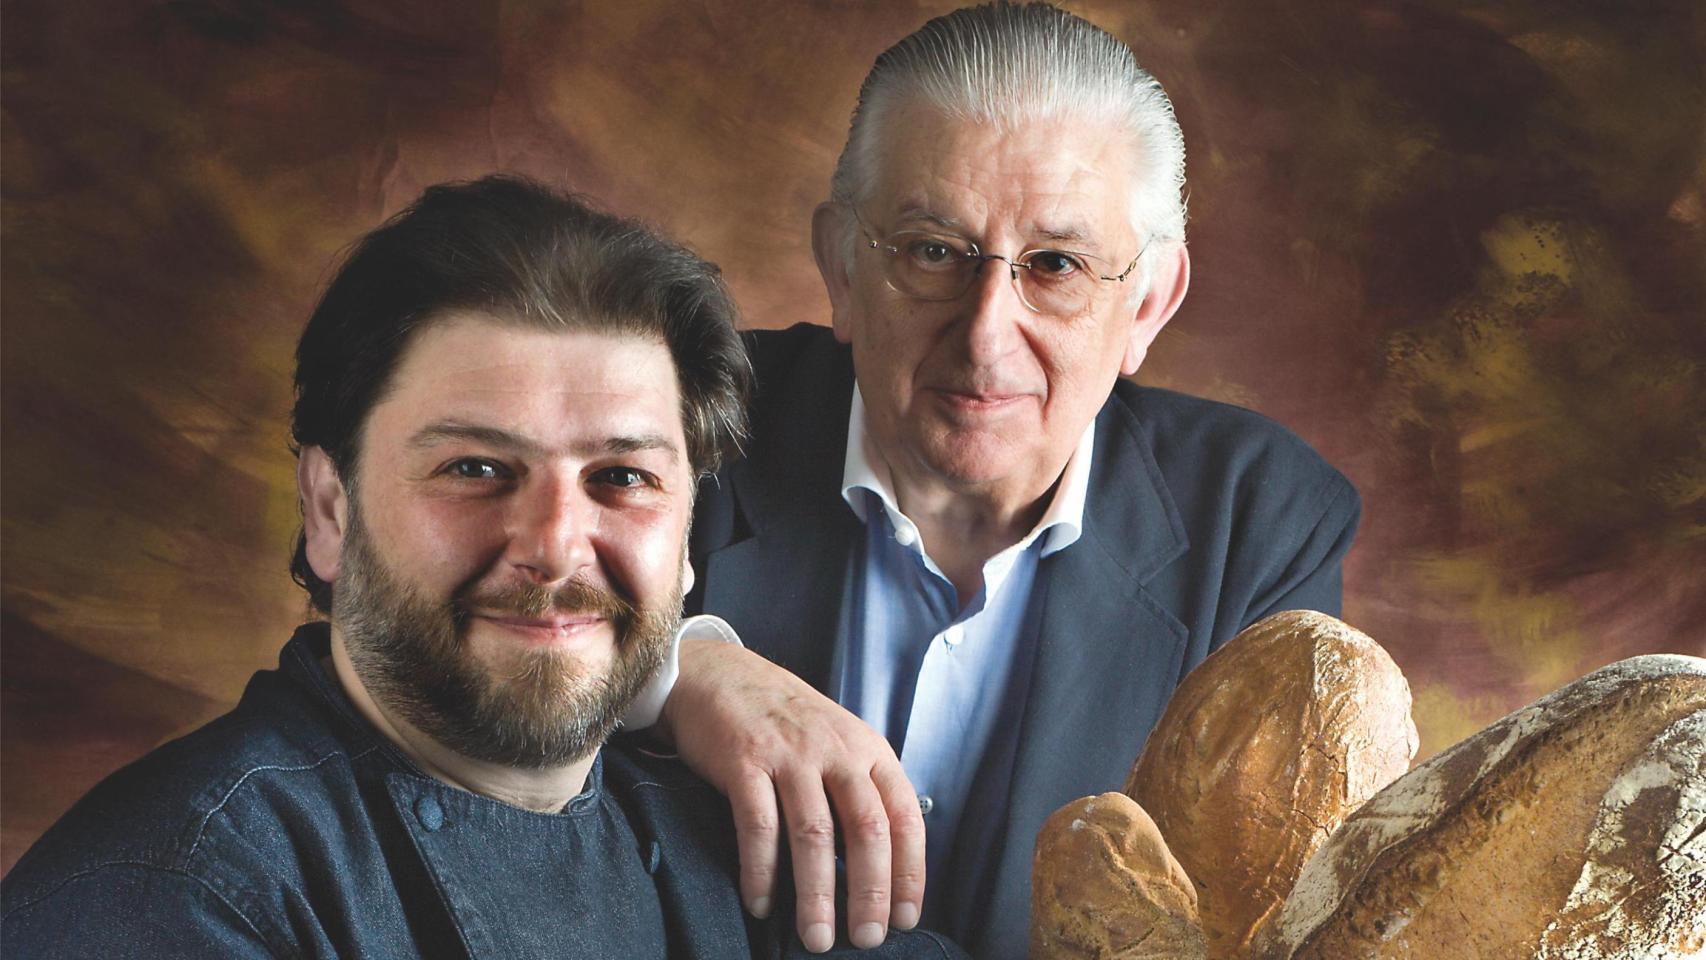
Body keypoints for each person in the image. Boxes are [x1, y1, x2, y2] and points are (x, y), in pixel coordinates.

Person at [0, 176, 966, 960]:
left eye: (622, 477)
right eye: (475, 469)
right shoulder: (167, 902)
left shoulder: (747, 842)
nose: (552, 543)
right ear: (330, 509)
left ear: (685, 540)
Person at [655, 5, 1361, 959]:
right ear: (842, 268)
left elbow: (1257, 928)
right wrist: (672, 667)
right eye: (934, 252)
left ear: (1147, 304)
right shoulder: (681, 415)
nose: (987, 335)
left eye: (1057, 265)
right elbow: (436, 633)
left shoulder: (1265, 522)